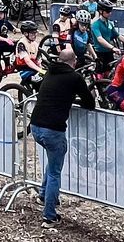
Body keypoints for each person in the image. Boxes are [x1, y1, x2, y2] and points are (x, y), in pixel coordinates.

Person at [29, 47, 94, 226]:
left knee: (53, 162)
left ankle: (43, 195)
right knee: (55, 173)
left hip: (35, 126)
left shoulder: (50, 72)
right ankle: (49, 216)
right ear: (74, 62)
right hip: (53, 129)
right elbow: (90, 102)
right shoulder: (75, 77)